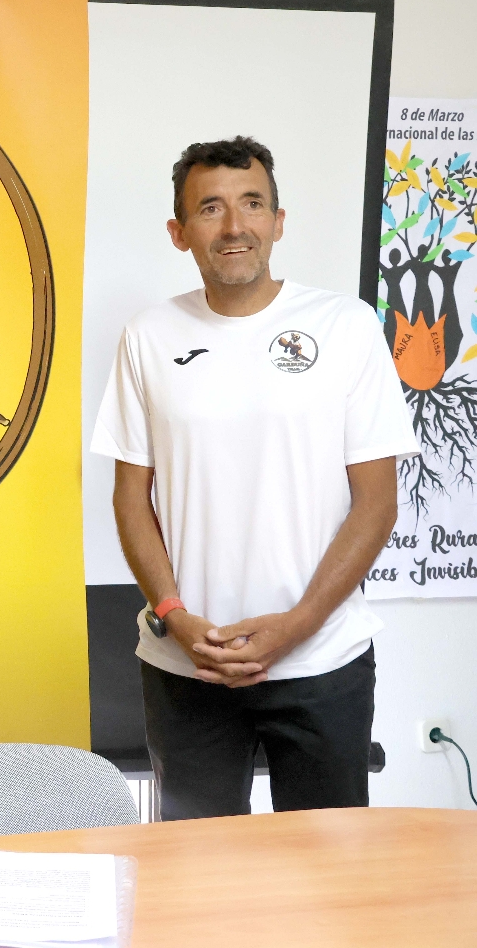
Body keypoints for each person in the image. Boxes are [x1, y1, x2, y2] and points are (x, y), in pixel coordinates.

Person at [92, 136, 418, 820]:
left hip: (322, 661)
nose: (234, 225)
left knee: (328, 879)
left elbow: (377, 503)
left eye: (252, 204)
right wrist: (175, 617)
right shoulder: (149, 335)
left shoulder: (346, 327)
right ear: (179, 233)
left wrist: (297, 625)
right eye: (210, 208)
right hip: (187, 666)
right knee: (197, 882)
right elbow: (130, 499)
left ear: (278, 220)